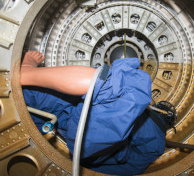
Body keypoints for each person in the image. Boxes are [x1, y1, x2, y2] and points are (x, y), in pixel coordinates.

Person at [21, 51, 176, 175]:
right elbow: (122, 170)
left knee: (134, 85)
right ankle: (24, 79)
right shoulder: (156, 147)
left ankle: (26, 73)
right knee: (30, 99)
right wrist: (80, 161)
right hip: (79, 134)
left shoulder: (156, 140)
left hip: (88, 131)